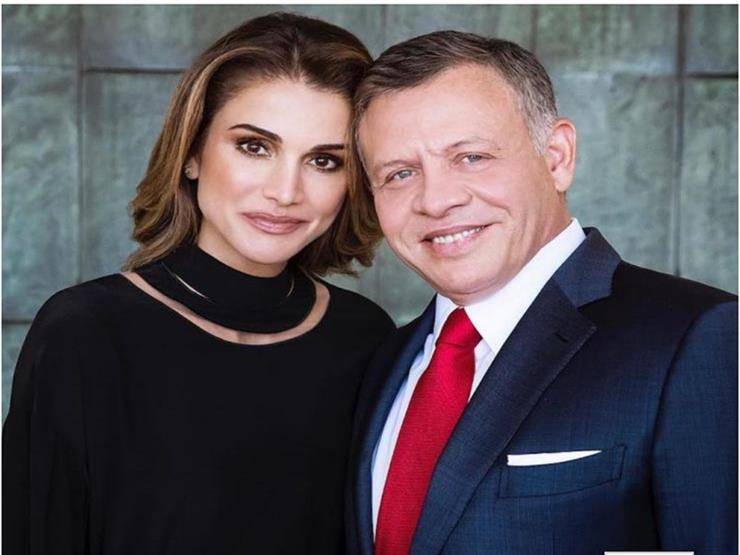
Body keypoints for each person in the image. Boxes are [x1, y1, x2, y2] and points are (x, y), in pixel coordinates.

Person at [3, 12, 395, 554]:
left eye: (324, 161)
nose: (286, 191)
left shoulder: (365, 337)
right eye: (254, 147)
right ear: (192, 151)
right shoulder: (85, 333)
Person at [346, 30, 737, 555]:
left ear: (556, 157)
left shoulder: (699, 339)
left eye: (471, 157)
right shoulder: (384, 361)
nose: (435, 201)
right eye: (399, 173)